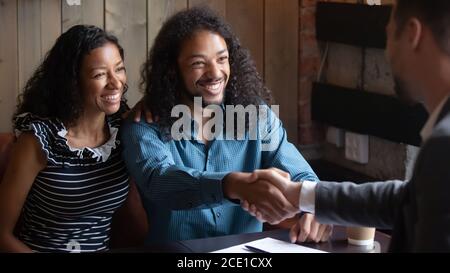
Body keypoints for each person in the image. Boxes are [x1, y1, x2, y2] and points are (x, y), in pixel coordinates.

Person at [244, 0, 450, 252]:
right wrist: (299, 195)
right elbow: (405, 200)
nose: (387, 53)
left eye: (387, 35)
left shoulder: (443, 145)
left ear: (411, 34)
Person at [121, 7, 333, 244]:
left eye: (222, 59)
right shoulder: (143, 126)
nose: (215, 73)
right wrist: (231, 185)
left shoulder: (256, 116)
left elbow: (300, 172)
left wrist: (314, 202)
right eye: (198, 63)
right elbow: (160, 181)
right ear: (172, 69)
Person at [0, 25, 130, 252]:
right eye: (100, 74)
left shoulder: (124, 131)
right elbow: (2, 234)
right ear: (72, 82)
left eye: (119, 69)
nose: (116, 82)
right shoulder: (38, 140)